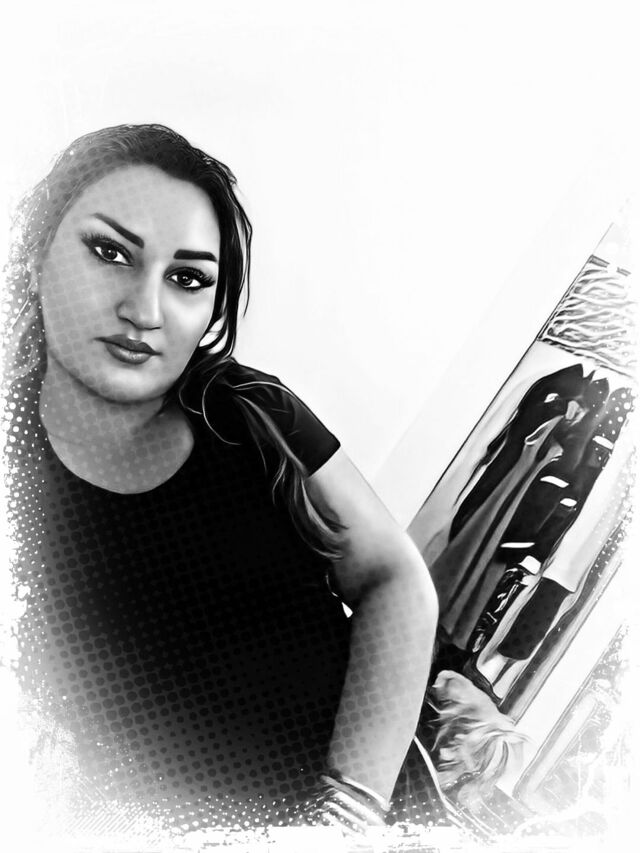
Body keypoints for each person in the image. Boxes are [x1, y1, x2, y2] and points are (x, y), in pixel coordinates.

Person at [2, 124, 438, 834]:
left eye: (187, 278)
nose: (144, 311)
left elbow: (394, 578)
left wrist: (350, 814)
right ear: (34, 254)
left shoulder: (249, 414)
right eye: (110, 252)